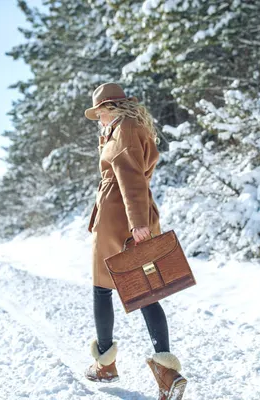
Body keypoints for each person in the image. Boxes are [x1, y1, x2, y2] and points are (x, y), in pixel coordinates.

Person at [84, 82, 187, 400]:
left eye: (98, 113)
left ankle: (106, 365)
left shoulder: (125, 129)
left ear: (106, 109)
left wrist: (137, 223)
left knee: (103, 288)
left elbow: (129, 178)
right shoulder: (127, 128)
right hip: (127, 214)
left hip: (120, 218)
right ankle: (166, 373)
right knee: (145, 292)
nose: (98, 120)